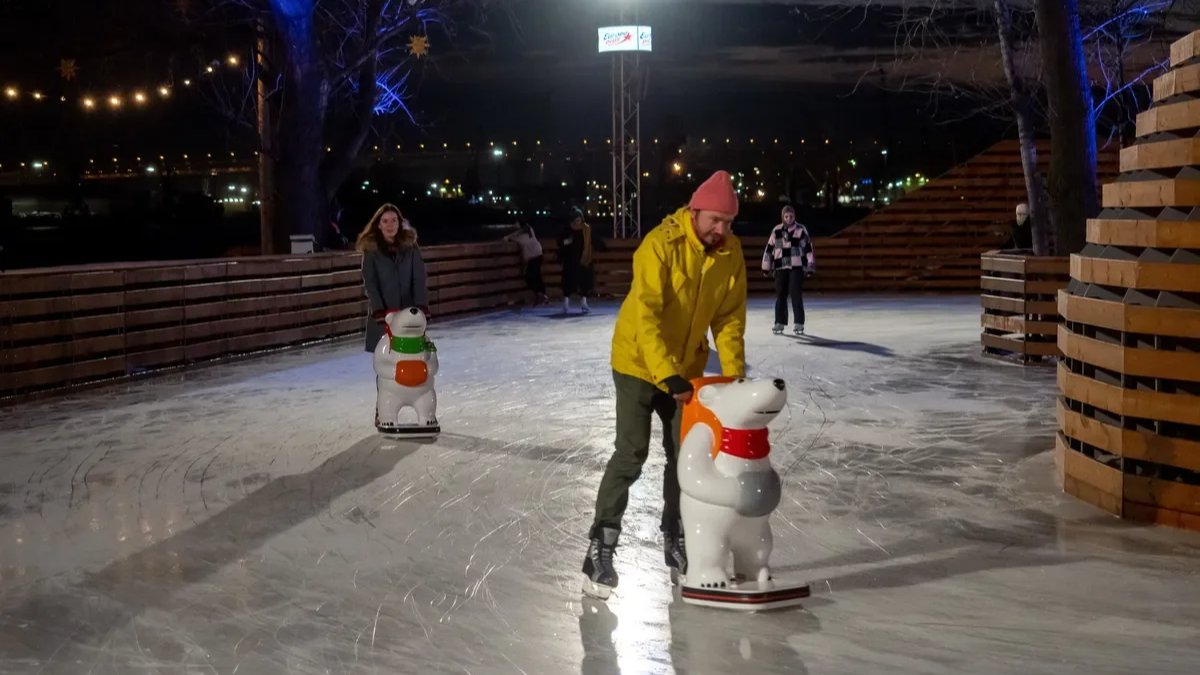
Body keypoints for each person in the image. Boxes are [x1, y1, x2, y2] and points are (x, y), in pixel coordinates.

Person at [581, 170, 748, 600]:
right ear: (694, 212)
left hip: (685, 369)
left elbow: (729, 320)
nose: (721, 229)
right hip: (638, 362)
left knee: (685, 457)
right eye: (714, 220)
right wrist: (666, 373)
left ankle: (676, 536)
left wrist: (734, 376)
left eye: (728, 222)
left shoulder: (729, 254)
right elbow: (646, 317)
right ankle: (602, 542)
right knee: (632, 451)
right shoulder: (659, 245)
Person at [357, 203, 430, 357]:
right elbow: (371, 283)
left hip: (408, 313)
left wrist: (420, 307)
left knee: (411, 358)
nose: (390, 225)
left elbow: (418, 277)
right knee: (385, 362)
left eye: (394, 220)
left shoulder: (411, 247)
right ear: (378, 225)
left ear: (400, 223)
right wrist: (379, 311)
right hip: (383, 317)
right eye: (385, 221)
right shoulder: (371, 251)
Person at [761, 204, 816, 335]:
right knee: (780, 294)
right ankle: (779, 322)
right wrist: (766, 266)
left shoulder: (801, 230)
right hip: (780, 267)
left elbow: (808, 248)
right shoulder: (776, 231)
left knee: (795, 293)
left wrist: (810, 265)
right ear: (782, 217)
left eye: (791, 216)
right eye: (786, 216)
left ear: (794, 216)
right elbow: (769, 249)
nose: (789, 218)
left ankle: (799, 323)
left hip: (796, 267)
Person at [557, 207, 601, 314]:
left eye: (579, 219)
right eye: (576, 220)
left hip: (583, 260)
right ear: (572, 220)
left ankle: (584, 303)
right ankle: (566, 304)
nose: (578, 222)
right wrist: (567, 241)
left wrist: (602, 246)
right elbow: (560, 242)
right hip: (570, 260)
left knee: (585, 281)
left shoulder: (586, 229)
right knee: (568, 282)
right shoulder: (568, 229)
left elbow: (593, 240)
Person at [503, 220, 548, 306]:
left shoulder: (522, 236)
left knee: (530, 276)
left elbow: (514, 236)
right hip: (537, 254)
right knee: (536, 275)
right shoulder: (530, 230)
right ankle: (542, 295)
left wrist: (507, 236)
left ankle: (540, 294)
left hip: (534, 256)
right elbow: (520, 231)